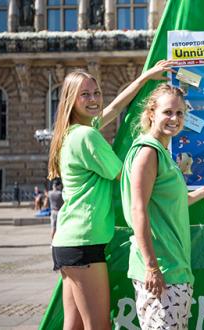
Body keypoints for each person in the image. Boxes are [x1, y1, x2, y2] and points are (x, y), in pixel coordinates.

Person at [47, 60, 173, 329]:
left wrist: (146, 78)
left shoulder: (72, 132)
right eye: (85, 94)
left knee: (75, 326)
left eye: (96, 93)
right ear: (71, 99)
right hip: (83, 243)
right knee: (99, 326)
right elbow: (124, 174)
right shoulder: (86, 137)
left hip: (68, 242)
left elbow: (115, 108)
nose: (94, 99)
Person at [120, 84, 204, 329]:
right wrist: (152, 266)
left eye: (180, 113)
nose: (174, 119)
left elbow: (171, 202)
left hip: (174, 265)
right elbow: (138, 209)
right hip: (161, 269)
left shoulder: (162, 152)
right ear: (152, 113)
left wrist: (201, 193)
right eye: (167, 112)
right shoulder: (147, 151)